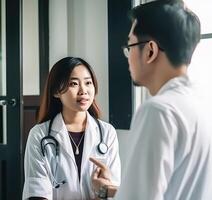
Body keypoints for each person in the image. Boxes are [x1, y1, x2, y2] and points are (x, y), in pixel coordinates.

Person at [90, 0, 212, 199]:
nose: (128, 56)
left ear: (150, 51)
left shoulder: (159, 111)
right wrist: (108, 190)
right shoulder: (203, 103)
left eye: (130, 46)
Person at [22, 57, 121, 200]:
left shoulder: (107, 133)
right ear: (56, 91)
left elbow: (112, 192)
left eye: (88, 83)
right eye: (73, 84)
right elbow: (37, 193)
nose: (83, 91)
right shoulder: (39, 135)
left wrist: (103, 191)